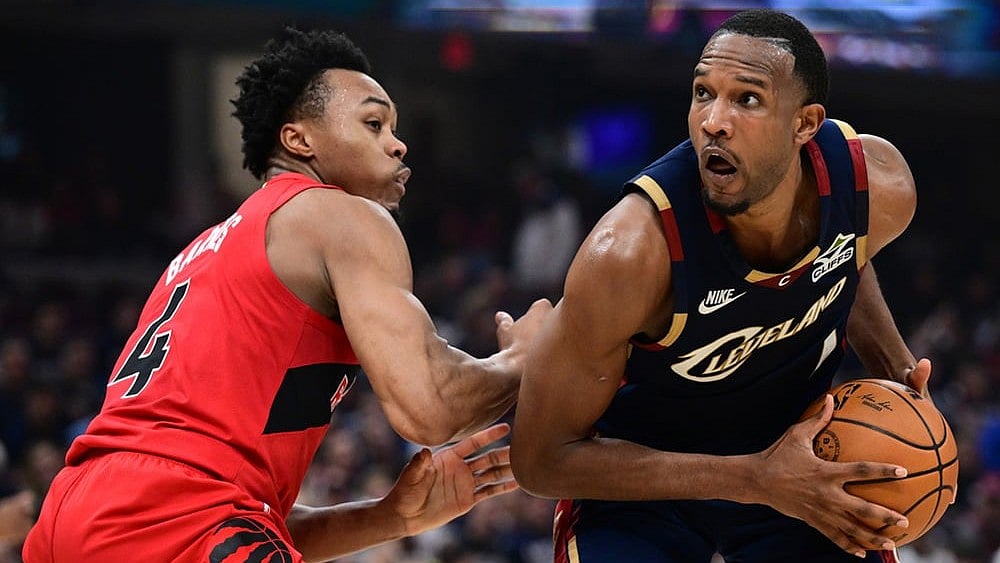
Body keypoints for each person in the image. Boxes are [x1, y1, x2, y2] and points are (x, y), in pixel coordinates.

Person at [23, 27, 551, 562]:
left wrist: (392, 517)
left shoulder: (203, 250)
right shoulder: (342, 215)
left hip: (75, 514)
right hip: (179, 511)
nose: (398, 144)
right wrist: (524, 358)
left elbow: (235, 505)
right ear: (299, 141)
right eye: (373, 124)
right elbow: (429, 406)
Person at [510, 8, 934, 563]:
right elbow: (541, 461)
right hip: (644, 482)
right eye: (703, 93)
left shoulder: (876, 187)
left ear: (805, 124)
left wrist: (896, 367)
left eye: (746, 99)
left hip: (800, 456)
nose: (713, 121)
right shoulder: (629, 255)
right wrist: (754, 478)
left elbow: (849, 252)